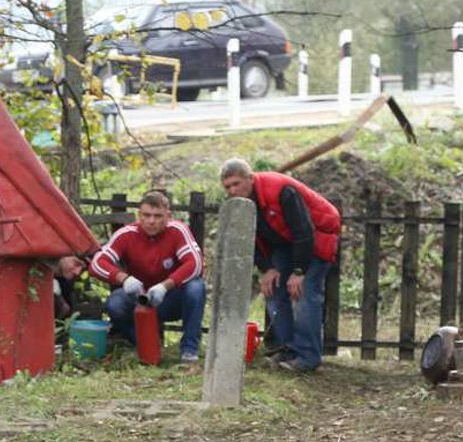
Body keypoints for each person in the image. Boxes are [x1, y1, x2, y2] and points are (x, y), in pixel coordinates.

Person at [219, 158, 340, 372]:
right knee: (273, 290)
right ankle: (287, 349)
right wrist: (267, 268)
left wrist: (299, 271)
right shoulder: (238, 204)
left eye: (236, 184)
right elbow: (247, 237)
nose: (232, 190)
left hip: (317, 235)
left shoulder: (282, 191)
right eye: (228, 186)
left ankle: (307, 357)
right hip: (284, 243)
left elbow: (304, 230)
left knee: (304, 293)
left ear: (250, 178)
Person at [88, 190, 207, 365]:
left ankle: (189, 350)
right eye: (146, 215)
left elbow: (195, 263)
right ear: (139, 215)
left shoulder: (177, 230)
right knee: (115, 303)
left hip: (170, 297)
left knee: (196, 287)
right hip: (140, 298)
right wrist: (124, 279)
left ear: (168, 216)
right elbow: (97, 263)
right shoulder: (127, 234)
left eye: (157, 216)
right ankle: (146, 345)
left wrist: (165, 286)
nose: (151, 221)